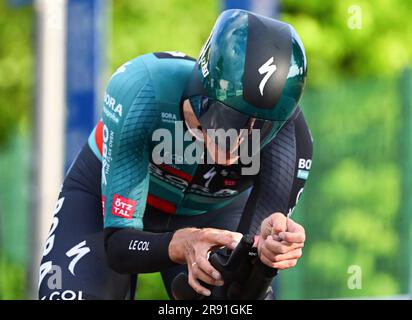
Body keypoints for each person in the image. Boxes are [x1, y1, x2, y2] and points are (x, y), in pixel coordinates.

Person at [38, 8, 312, 300]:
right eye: (228, 120)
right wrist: (181, 242)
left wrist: (267, 259)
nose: (237, 144)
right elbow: (118, 247)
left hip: (213, 212)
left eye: (260, 131)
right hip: (104, 200)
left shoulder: (291, 139)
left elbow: (240, 291)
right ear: (204, 88)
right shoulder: (143, 90)